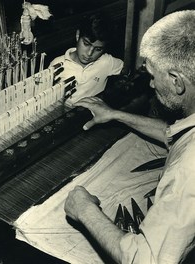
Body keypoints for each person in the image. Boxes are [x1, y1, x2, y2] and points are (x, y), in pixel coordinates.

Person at [64, 10, 195, 264]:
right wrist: (115, 115)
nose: (151, 86)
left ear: (178, 82)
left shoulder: (188, 170)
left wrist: (84, 208)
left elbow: (145, 260)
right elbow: (174, 135)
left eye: (154, 77)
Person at [49, 13, 123, 105]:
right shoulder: (57, 64)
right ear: (77, 35)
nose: (89, 53)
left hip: (93, 117)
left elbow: (131, 68)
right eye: (86, 44)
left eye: (98, 49)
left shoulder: (107, 62)